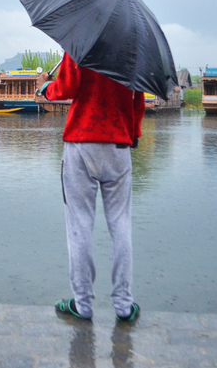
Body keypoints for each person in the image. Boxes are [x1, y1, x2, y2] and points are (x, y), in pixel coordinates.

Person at [36, 52, 145, 323]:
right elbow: (138, 100)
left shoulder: (82, 44)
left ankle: (83, 304)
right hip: (119, 145)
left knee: (79, 226)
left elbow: (68, 88)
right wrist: (133, 133)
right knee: (121, 224)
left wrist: (45, 87)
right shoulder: (131, 49)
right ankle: (123, 304)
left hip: (81, 142)